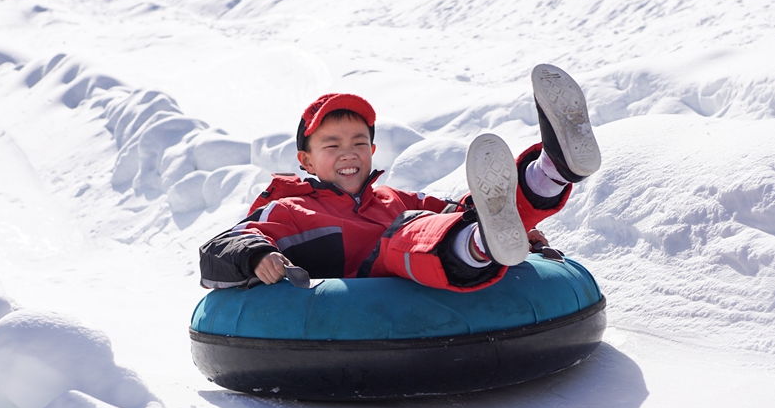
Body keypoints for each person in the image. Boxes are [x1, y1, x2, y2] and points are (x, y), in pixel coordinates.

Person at [199, 64, 601, 294]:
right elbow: (224, 244)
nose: (348, 153)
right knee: (402, 237)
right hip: (365, 290)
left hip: (431, 256)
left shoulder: (393, 198)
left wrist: (513, 228)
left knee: (466, 214)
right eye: (332, 145)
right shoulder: (290, 207)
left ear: (373, 152)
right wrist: (256, 256)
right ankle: (483, 244)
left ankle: (551, 170)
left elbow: (460, 211)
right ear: (305, 160)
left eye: (359, 142)